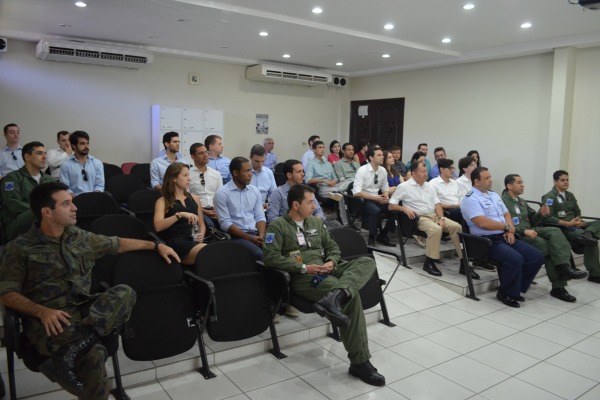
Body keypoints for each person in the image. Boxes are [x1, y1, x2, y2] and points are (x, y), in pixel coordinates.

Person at [0, 182, 179, 399]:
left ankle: (76, 348)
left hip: (84, 312)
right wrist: (41, 312)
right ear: (47, 212)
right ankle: (79, 351)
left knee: (125, 292)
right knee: (95, 355)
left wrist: (156, 246)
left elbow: (117, 243)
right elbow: (6, 293)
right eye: (66, 204)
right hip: (51, 321)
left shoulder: (78, 237)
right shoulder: (19, 248)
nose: (75, 208)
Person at [263, 184, 385, 387]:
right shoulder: (278, 226)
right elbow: (270, 257)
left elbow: (332, 247)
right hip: (304, 277)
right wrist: (303, 267)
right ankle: (360, 362)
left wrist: (332, 261)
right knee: (352, 298)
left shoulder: (316, 223)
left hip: (327, 269)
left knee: (367, 262)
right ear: (295, 204)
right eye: (310, 202)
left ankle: (336, 295)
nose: (314, 205)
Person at [461, 167, 544, 308]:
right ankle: (506, 293)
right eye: (486, 178)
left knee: (536, 256)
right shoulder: (470, 198)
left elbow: (506, 214)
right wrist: (505, 227)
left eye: (490, 177)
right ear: (476, 182)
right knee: (515, 259)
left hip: (504, 235)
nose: (490, 180)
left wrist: (510, 230)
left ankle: (515, 288)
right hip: (485, 241)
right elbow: (482, 222)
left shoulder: (494, 195)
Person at [502, 174, 587, 302]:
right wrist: (524, 231)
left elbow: (534, 221)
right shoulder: (502, 201)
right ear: (509, 186)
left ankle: (563, 267)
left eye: (522, 182)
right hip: (518, 235)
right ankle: (559, 286)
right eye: (519, 182)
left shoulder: (522, 201)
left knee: (556, 231)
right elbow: (503, 224)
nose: (523, 185)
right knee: (549, 247)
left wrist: (541, 214)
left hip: (532, 230)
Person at [389, 161, 466, 277]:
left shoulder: (429, 185)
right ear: (414, 173)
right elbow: (391, 205)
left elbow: (437, 204)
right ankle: (429, 262)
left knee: (457, 227)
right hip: (418, 218)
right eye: (423, 172)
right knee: (435, 230)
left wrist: (442, 218)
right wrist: (404, 209)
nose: (426, 174)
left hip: (434, 215)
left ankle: (463, 262)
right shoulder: (404, 186)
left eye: (426, 172)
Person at [541, 170, 600, 284]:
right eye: (562, 180)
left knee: (597, 224)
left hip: (577, 225)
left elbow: (577, 211)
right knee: (591, 242)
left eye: (567, 180)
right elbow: (547, 218)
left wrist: (578, 220)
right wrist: (568, 223)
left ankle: (588, 234)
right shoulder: (549, 197)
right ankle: (595, 274)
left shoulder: (570, 195)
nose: (566, 182)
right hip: (565, 228)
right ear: (555, 181)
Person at [154, 162, 207, 265]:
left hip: (194, 240)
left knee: (219, 251)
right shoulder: (162, 201)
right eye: (185, 175)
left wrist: (201, 234)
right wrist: (179, 215)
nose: (189, 178)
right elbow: (158, 226)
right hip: (175, 243)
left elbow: (201, 224)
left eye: (189, 175)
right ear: (174, 178)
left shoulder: (195, 198)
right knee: (209, 252)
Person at [214, 157, 266, 261]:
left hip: (256, 234)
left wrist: (261, 235)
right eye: (246, 171)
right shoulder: (222, 193)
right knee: (261, 255)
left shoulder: (255, 191)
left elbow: (260, 216)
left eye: (250, 170)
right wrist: (250, 238)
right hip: (237, 237)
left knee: (280, 250)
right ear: (235, 173)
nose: (250, 174)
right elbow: (225, 224)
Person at [1, 141, 55, 240]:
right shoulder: (12, 178)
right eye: (39, 153)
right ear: (27, 157)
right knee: (39, 213)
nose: (44, 157)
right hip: (16, 223)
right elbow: (13, 204)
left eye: (45, 153)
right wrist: (42, 210)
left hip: (45, 221)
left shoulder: (49, 179)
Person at [353, 147, 396, 247]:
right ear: (371, 157)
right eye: (379, 155)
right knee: (375, 211)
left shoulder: (383, 171)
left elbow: (385, 188)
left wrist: (385, 195)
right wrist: (376, 198)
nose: (382, 157)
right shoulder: (362, 170)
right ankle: (371, 237)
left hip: (377, 198)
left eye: (382, 155)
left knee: (394, 210)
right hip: (364, 200)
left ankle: (382, 235)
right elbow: (356, 192)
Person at [266, 159, 327, 225]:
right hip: (288, 230)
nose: (303, 174)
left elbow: (318, 211)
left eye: (303, 171)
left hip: (310, 227)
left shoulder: (307, 191)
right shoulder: (278, 193)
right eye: (299, 172)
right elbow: (272, 218)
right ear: (289, 175)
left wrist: (314, 221)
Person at [304, 141, 349, 226]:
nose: (322, 149)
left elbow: (335, 178)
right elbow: (308, 180)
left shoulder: (328, 164)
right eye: (320, 147)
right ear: (314, 150)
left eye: (323, 147)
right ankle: (346, 223)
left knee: (350, 180)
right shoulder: (311, 164)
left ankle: (341, 191)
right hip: (323, 188)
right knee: (343, 194)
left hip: (334, 186)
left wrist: (334, 181)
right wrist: (324, 181)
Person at [59, 131, 104, 196]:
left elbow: (99, 186)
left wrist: (94, 199)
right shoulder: (65, 165)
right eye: (82, 143)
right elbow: (66, 189)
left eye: (87, 143)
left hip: (94, 199)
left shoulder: (97, 163)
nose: (86, 146)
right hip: (75, 201)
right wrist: (78, 201)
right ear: (74, 145)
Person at [188, 143, 222, 229]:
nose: (205, 155)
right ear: (193, 157)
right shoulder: (187, 174)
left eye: (206, 152)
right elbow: (186, 199)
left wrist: (217, 211)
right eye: (201, 153)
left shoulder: (216, 174)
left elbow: (221, 196)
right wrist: (205, 212)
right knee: (210, 225)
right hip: (198, 210)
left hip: (215, 210)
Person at [430, 159, 463, 223]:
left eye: (453, 168)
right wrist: (452, 206)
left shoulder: (455, 183)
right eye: (450, 168)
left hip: (459, 207)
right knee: (461, 211)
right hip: (446, 210)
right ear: (441, 169)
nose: (452, 170)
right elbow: (434, 203)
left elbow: (461, 197)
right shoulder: (433, 183)